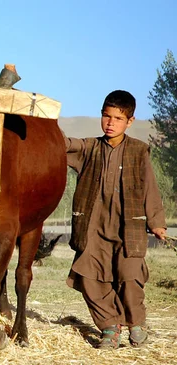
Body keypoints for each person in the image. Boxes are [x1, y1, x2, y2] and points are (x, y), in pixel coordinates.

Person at [64, 90, 167, 349]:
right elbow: (63, 145)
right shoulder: (89, 147)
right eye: (106, 116)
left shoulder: (138, 151)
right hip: (92, 227)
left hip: (128, 227)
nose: (111, 123)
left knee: (130, 277)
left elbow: (150, 189)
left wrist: (156, 222)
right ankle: (110, 327)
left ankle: (136, 325)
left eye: (118, 118)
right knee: (89, 276)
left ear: (130, 121)